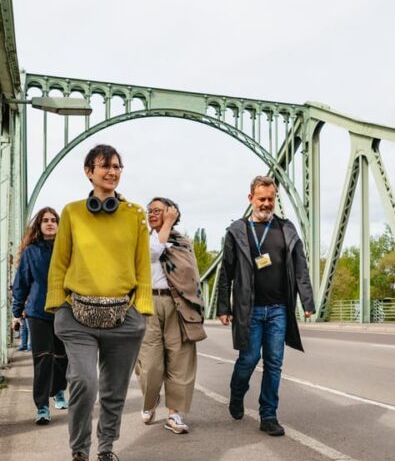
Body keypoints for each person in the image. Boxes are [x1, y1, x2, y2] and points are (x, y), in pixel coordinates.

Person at [46, 144, 151, 461]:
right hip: (77, 315)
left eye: (117, 166)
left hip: (123, 316)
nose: (112, 172)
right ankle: (79, 455)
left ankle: (106, 450)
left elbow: (142, 266)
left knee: (113, 390)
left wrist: (141, 310)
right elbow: (59, 263)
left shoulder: (135, 214)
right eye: (105, 166)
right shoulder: (72, 212)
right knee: (83, 382)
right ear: (88, 171)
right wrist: (57, 306)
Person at [217, 175, 315, 437]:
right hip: (249, 309)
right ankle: (237, 392)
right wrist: (223, 307)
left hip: (279, 309)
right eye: (261, 199)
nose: (266, 204)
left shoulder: (286, 229)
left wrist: (307, 300)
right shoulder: (238, 231)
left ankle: (268, 415)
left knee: (274, 363)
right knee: (249, 359)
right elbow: (226, 272)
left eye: (270, 199)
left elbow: (301, 268)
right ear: (251, 198)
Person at [135, 197, 204, 434]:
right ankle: (151, 397)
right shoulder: (141, 239)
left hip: (178, 303)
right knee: (150, 364)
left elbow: (192, 277)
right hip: (147, 303)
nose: (151, 214)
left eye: (157, 210)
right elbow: (151, 254)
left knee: (180, 360)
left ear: (172, 212)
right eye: (149, 211)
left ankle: (174, 414)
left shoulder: (182, 243)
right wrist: (164, 226)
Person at [11, 207, 68, 424]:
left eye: (54, 220)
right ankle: (42, 406)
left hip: (65, 310)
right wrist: (17, 311)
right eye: (45, 220)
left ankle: (57, 390)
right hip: (38, 311)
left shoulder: (68, 249)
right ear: (39, 225)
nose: (50, 223)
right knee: (43, 359)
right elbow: (21, 282)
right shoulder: (31, 252)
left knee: (63, 357)